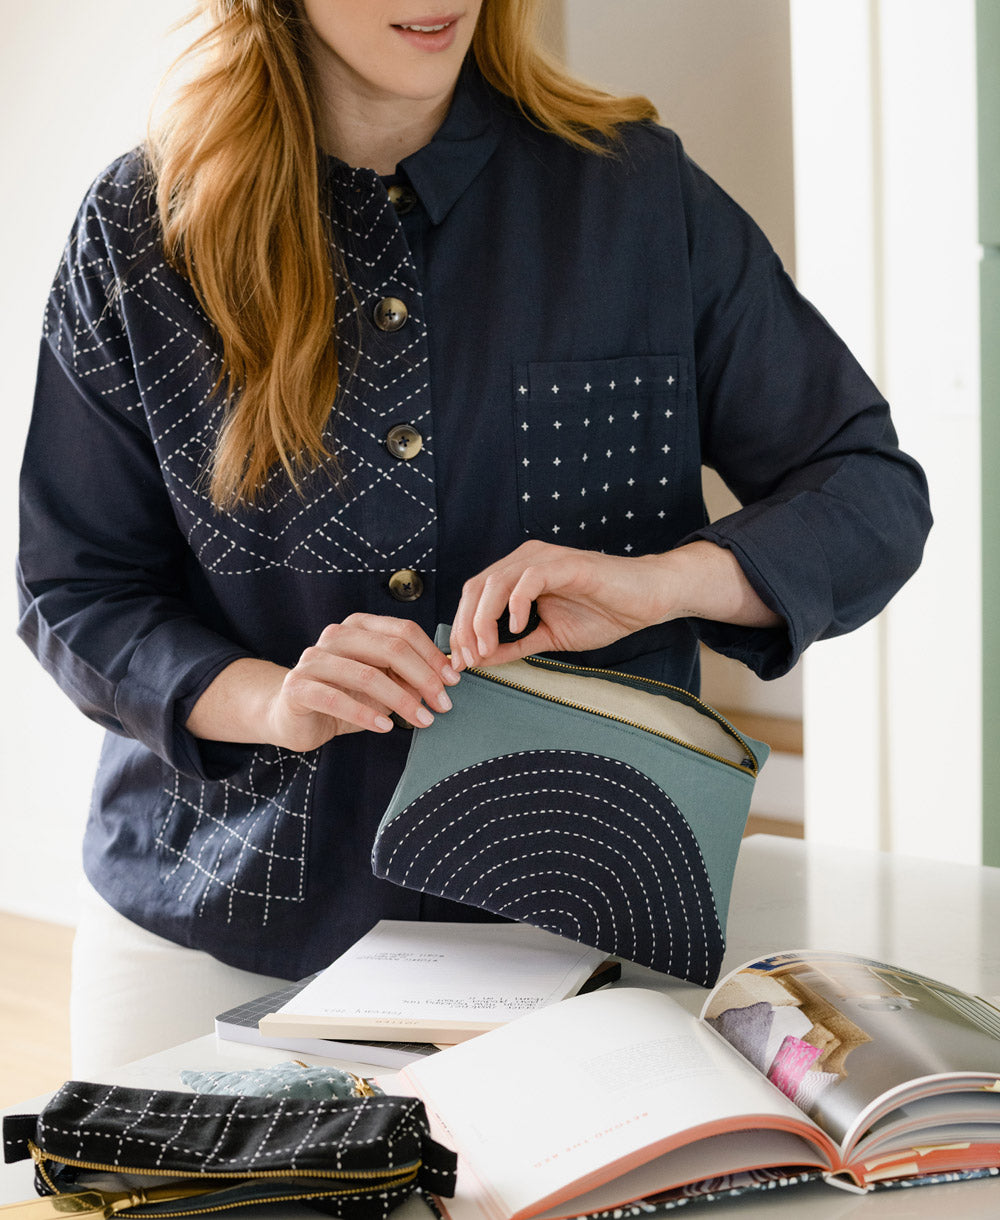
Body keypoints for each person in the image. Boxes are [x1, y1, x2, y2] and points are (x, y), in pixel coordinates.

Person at [17, 0, 931, 1074]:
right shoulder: (140, 229)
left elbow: (867, 489)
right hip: (222, 925)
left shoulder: (634, 194)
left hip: (586, 926)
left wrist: (666, 582)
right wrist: (270, 698)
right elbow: (75, 587)